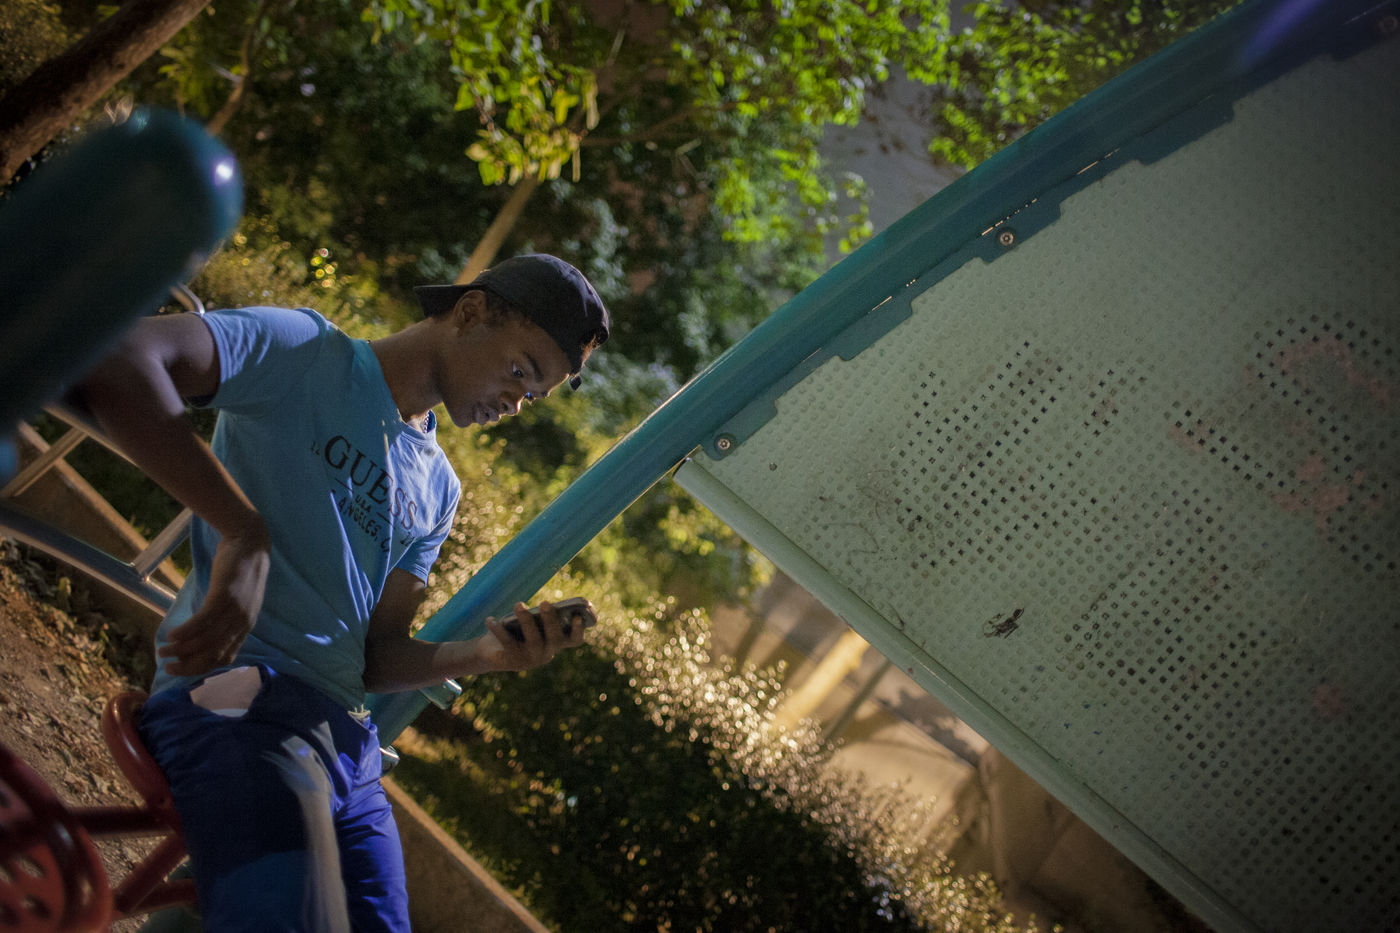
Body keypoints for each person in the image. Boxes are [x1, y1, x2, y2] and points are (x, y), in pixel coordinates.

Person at [77, 253, 610, 932]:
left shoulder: (439, 490)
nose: (516, 402)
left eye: (533, 395)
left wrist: (486, 656)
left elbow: (374, 656)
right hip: (235, 700)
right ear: (472, 311)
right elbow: (120, 360)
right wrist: (242, 530)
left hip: (345, 749)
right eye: (519, 371)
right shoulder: (306, 351)